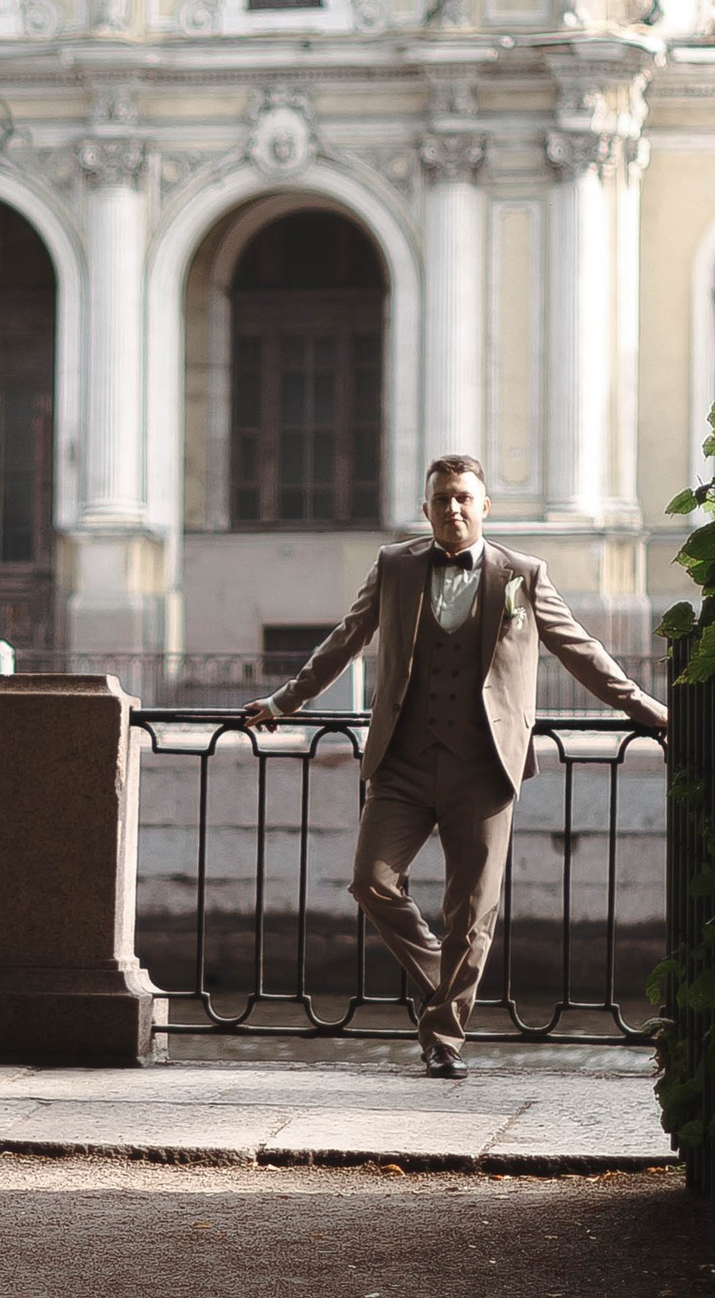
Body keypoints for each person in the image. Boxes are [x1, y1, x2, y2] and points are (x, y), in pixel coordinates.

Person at [241, 453, 667, 1078]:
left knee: (473, 911)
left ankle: (444, 1038)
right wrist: (285, 700)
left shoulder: (523, 575)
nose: (453, 508)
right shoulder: (394, 566)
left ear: (484, 506)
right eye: (442, 499)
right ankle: (448, 979)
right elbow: (346, 638)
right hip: (402, 763)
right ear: (427, 509)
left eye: (464, 497)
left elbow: (580, 650)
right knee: (371, 882)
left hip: (484, 766)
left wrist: (646, 708)